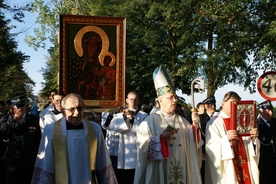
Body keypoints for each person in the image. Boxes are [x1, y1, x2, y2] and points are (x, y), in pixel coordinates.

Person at [134, 66, 202, 184]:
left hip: (182, 169)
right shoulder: (149, 122)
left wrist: (195, 125)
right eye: (170, 98)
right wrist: (160, 139)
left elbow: (194, 144)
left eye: (175, 97)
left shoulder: (183, 121)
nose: (175, 100)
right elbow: (142, 149)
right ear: (160, 101)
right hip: (160, 171)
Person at [31, 93, 117, 184]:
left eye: (80, 108)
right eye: (71, 109)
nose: (76, 113)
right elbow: (46, 164)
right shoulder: (51, 130)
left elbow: (103, 161)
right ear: (63, 111)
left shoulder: (95, 129)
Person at [205, 91, 260, 184]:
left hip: (245, 164)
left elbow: (250, 147)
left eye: (237, 104)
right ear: (223, 104)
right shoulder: (214, 123)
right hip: (228, 170)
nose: (234, 107)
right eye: (232, 104)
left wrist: (253, 139)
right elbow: (210, 147)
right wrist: (226, 139)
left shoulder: (243, 121)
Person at [105, 91, 148, 184]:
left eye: (135, 99)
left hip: (137, 151)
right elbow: (112, 127)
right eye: (131, 99)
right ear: (127, 100)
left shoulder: (144, 116)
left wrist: (132, 120)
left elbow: (144, 132)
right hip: (124, 153)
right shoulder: (120, 115)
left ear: (139, 100)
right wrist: (125, 118)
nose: (133, 101)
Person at [0, 95, 41, 184]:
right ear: (12, 107)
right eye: (17, 106)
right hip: (13, 161)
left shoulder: (32, 119)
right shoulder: (6, 119)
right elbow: (3, 135)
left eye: (22, 106)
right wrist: (14, 121)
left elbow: (38, 139)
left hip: (29, 161)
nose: (20, 109)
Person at [256, 100, 276, 184]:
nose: (271, 113)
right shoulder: (257, 124)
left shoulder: (274, 122)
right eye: (268, 110)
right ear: (261, 110)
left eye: (271, 109)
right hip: (264, 164)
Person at [101, 112, 119, 179]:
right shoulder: (105, 112)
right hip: (110, 144)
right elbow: (104, 125)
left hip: (120, 144)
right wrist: (110, 115)